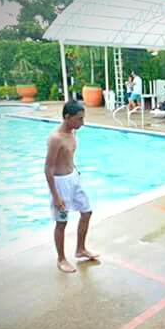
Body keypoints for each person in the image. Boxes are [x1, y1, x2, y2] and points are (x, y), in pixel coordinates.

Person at [45, 100, 99, 273]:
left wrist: (75, 170)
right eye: (79, 119)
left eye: (83, 119)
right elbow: (48, 168)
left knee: (87, 211)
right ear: (67, 117)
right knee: (61, 223)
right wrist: (55, 196)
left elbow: (68, 157)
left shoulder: (73, 132)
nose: (82, 123)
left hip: (74, 179)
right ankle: (61, 259)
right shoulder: (55, 138)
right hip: (60, 184)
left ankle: (80, 249)